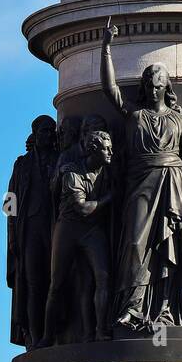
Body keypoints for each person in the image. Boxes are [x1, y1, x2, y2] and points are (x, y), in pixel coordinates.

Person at [100, 19, 182, 328]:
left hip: (174, 184)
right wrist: (106, 47)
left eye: (158, 84)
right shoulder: (135, 114)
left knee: (168, 245)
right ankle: (133, 308)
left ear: (166, 87)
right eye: (149, 84)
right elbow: (110, 90)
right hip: (141, 184)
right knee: (135, 243)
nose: (153, 88)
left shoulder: (178, 120)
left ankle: (164, 310)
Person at [39, 130, 114, 346]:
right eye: (106, 149)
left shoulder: (108, 171)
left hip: (92, 230)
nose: (111, 152)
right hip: (69, 229)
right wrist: (109, 197)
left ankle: (100, 331)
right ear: (93, 149)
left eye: (111, 147)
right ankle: (48, 336)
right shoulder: (73, 174)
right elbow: (82, 209)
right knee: (57, 283)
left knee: (102, 276)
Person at [5, 115, 57, 349]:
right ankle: (34, 337)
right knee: (34, 284)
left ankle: (55, 334)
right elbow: (9, 202)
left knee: (55, 282)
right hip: (30, 230)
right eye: (44, 131)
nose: (49, 135)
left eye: (52, 131)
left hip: (55, 228)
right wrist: (13, 232)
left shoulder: (59, 160)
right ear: (35, 136)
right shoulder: (22, 165)